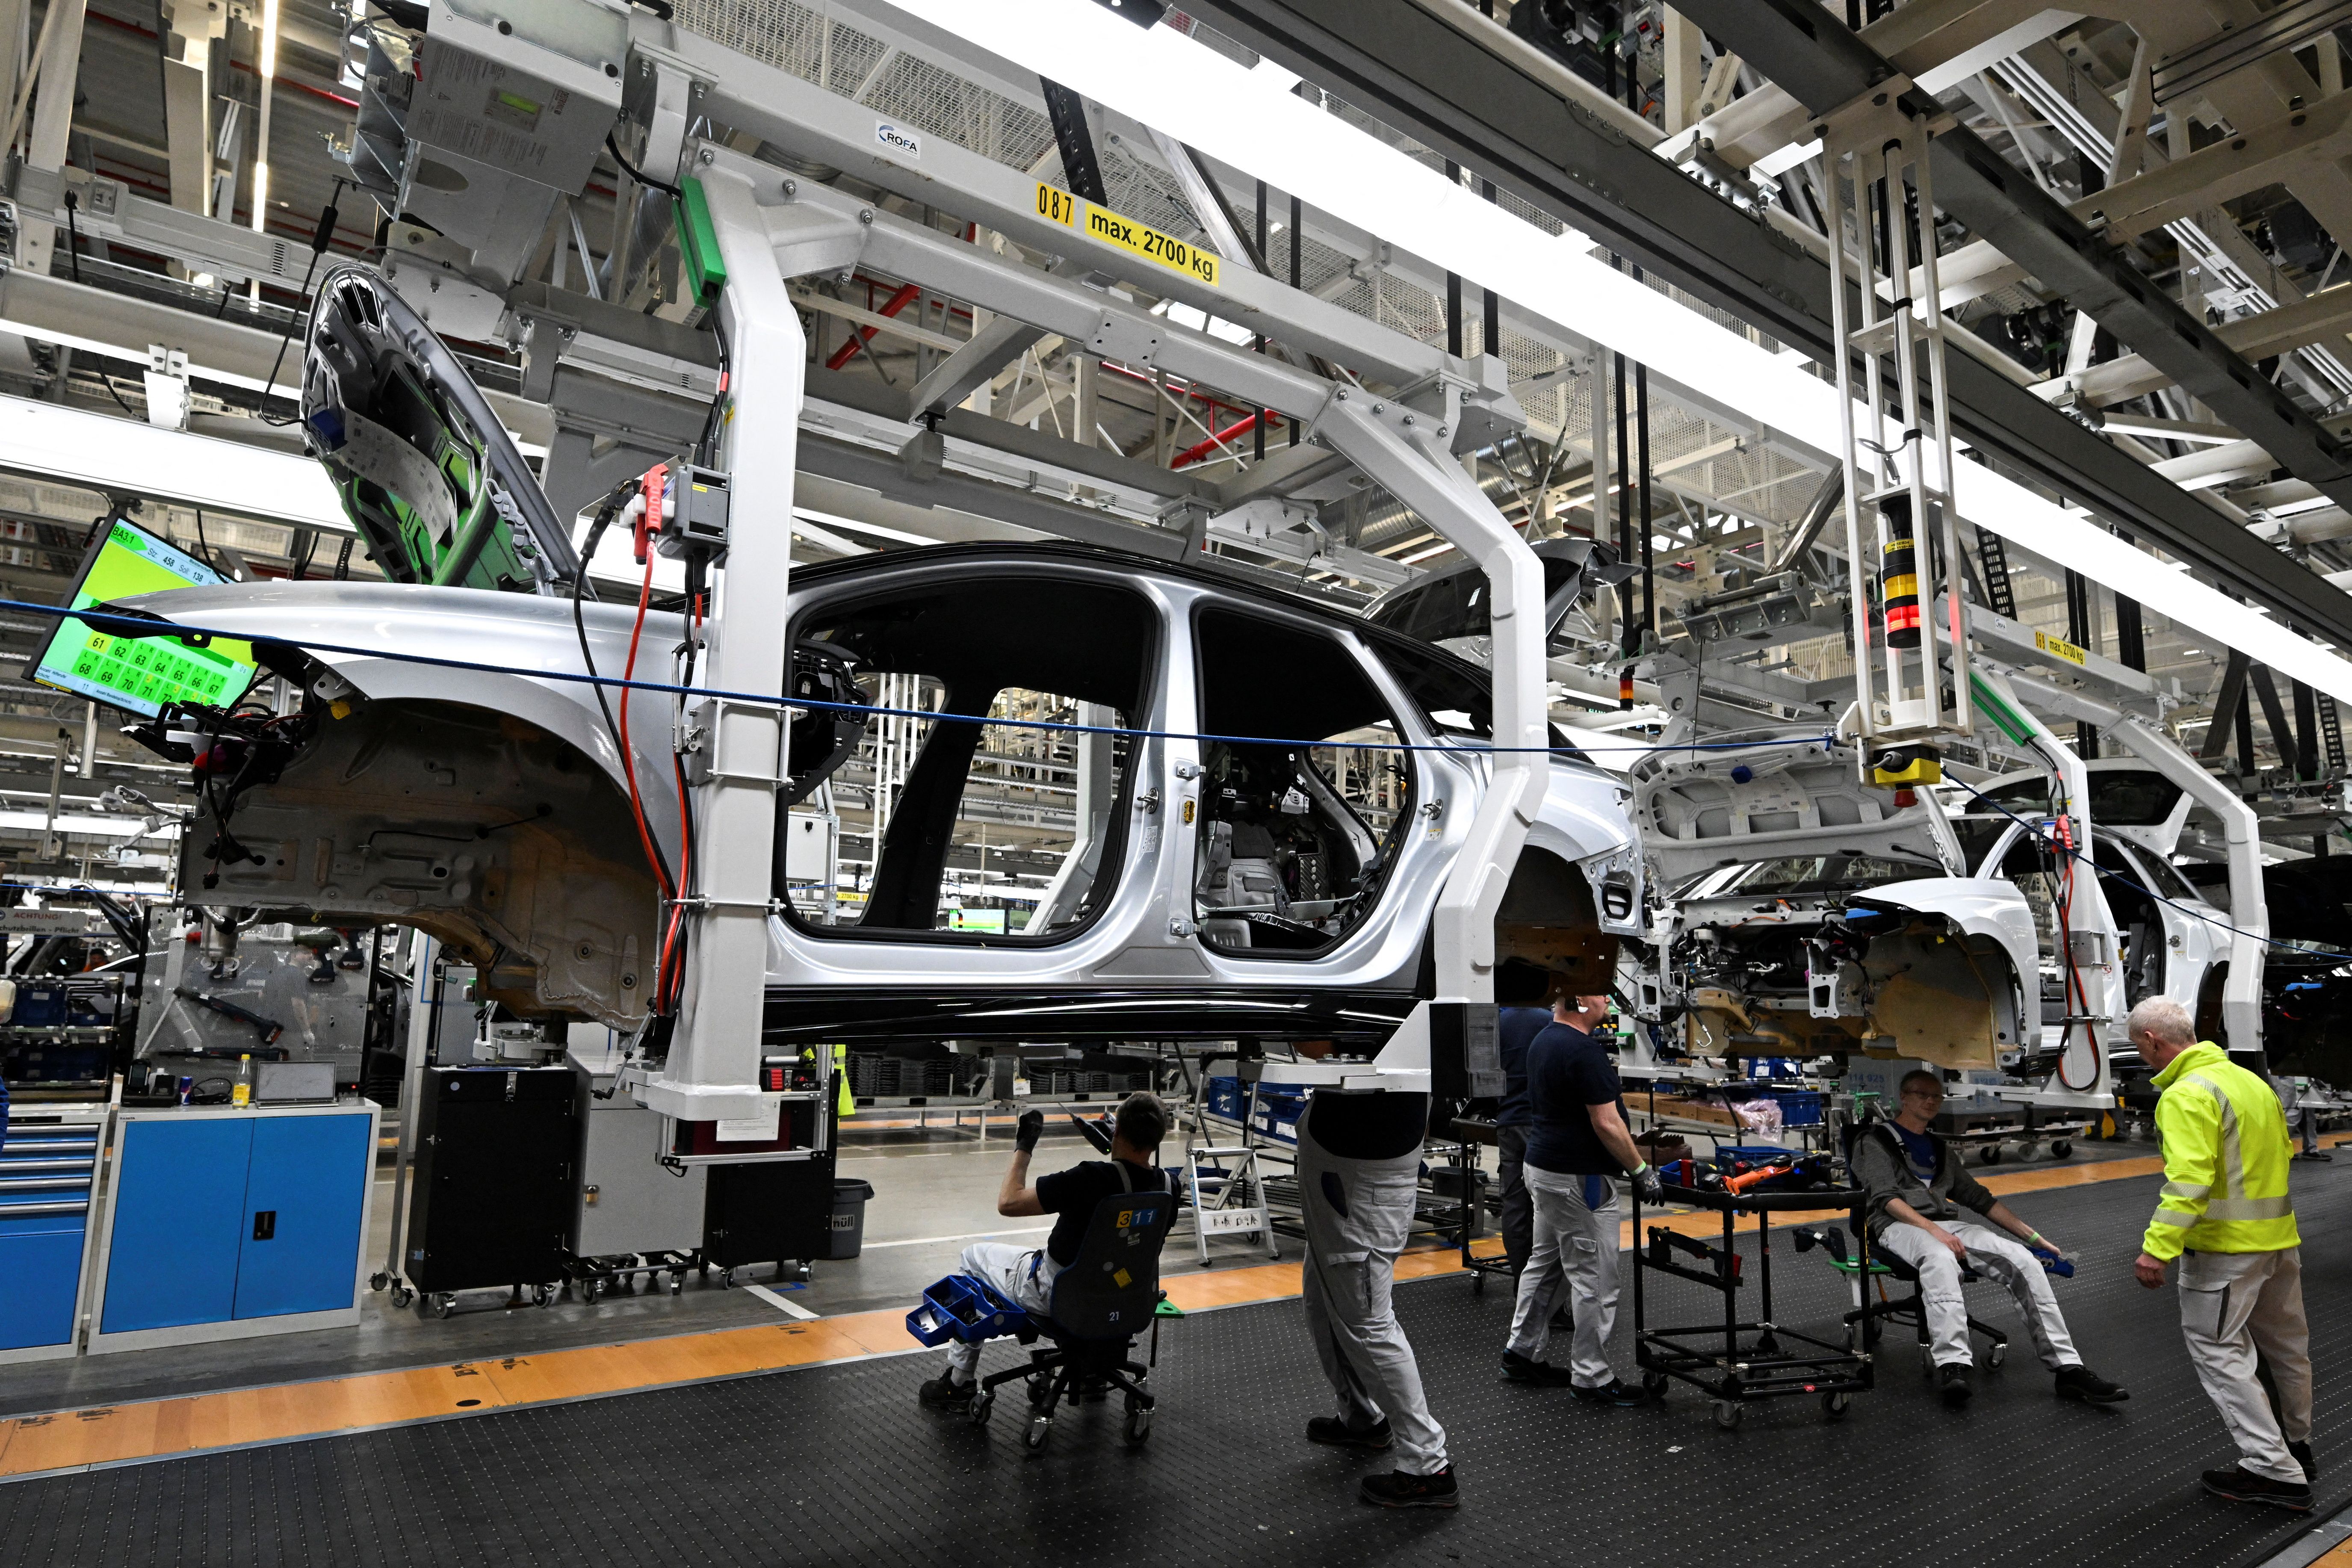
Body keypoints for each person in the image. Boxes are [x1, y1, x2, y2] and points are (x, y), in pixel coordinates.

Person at [2127, 999, 2314, 1511]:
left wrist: (2156, 1250)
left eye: (2140, 1048)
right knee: (2286, 1347)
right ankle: (2296, 1444)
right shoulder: (2251, 1082)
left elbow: (2189, 1181)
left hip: (2225, 1251)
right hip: (2278, 1241)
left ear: (2151, 1040)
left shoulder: (2186, 1092)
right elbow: (2281, 1155)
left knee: (2217, 1350)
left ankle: (2273, 1471)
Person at [1852, 1070, 2127, 1410]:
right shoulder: (1874, 1140)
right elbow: (1884, 1197)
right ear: (1903, 1098)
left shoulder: (1940, 1147)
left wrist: (2034, 1238)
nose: (1930, 1101)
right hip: (1896, 1225)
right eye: (1922, 1094)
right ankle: (1953, 1365)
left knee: (2023, 1261)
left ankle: (2068, 1368)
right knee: (1940, 1258)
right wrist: (1933, 1230)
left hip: (1944, 1225)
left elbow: (1979, 1198)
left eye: (1936, 1097)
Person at [919, 1091, 1169, 1409]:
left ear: (1116, 1130)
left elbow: (1008, 1202)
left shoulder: (1088, 1177)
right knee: (1109, 1264)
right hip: (1127, 1298)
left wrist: (1025, 1144)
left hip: (1058, 1295)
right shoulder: (1167, 1188)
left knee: (972, 1257)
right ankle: (1093, 1371)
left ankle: (959, 1381)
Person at [1297, 1082, 1457, 1510]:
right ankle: (1361, 1418)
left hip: (1357, 1182)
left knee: (1368, 1322)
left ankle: (1428, 1465)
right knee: (1322, 1297)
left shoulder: (1391, 1019)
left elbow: (1320, 1045)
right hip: (1344, 1172)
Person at [1499, 992, 1661, 1405]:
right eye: (1599, 993)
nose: (1607, 1000)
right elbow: (1606, 1123)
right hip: (1578, 1179)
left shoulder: (1545, 1039)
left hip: (1543, 1170)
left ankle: (1521, 1353)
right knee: (1596, 1279)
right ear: (1579, 1002)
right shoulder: (1582, 1050)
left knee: (1546, 1265)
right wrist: (1641, 1172)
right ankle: (1591, 1376)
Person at [1493, 957, 1555, 1278]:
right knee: (1550, 1208)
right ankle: (1549, 1293)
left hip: (1509, 1122)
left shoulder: (1495, 1023)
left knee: (1515, 1207)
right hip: (1544, 1126)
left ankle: (1522, 1280)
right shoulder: (1550, 1021)